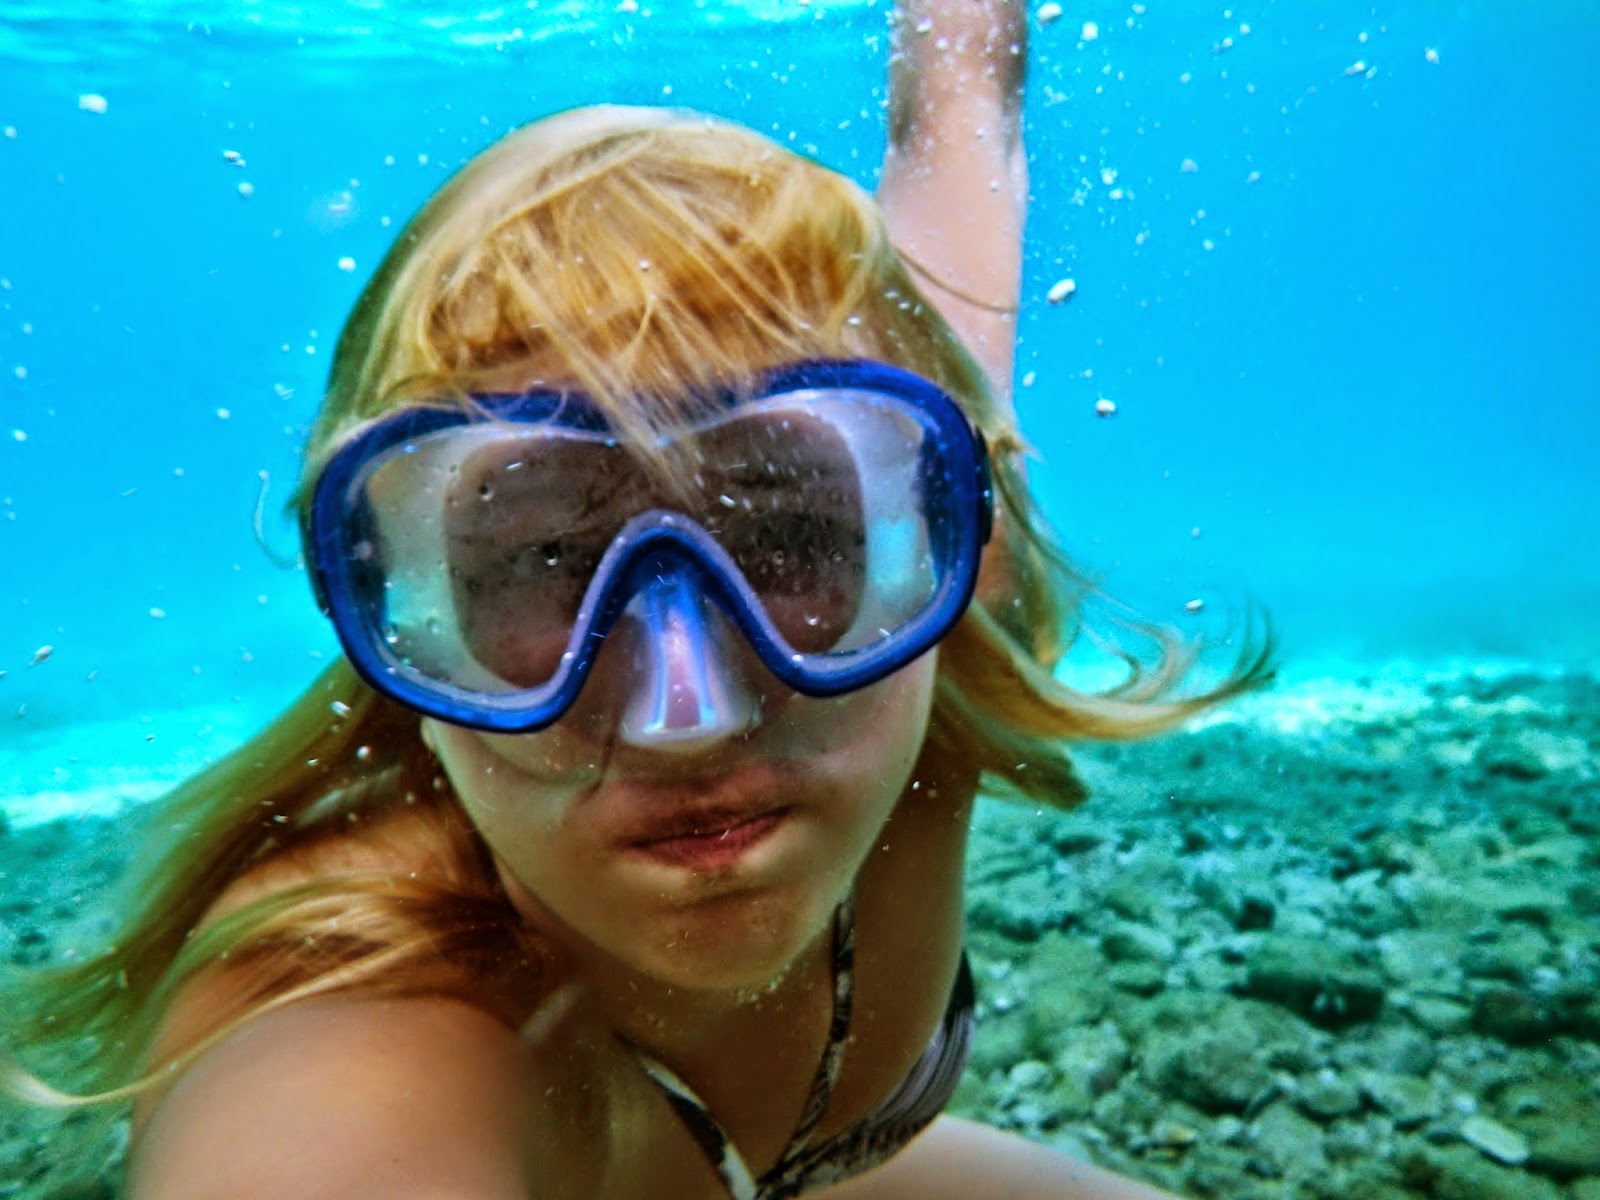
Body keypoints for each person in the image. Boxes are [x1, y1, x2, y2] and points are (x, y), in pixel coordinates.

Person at [4, 2, 1272, 1197]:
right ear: (395, 606)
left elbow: (958, 120)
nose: (688, 718)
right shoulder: (354, 1003)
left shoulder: (950, 598)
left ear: (937, 522)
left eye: (784, 533)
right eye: (546, 561)